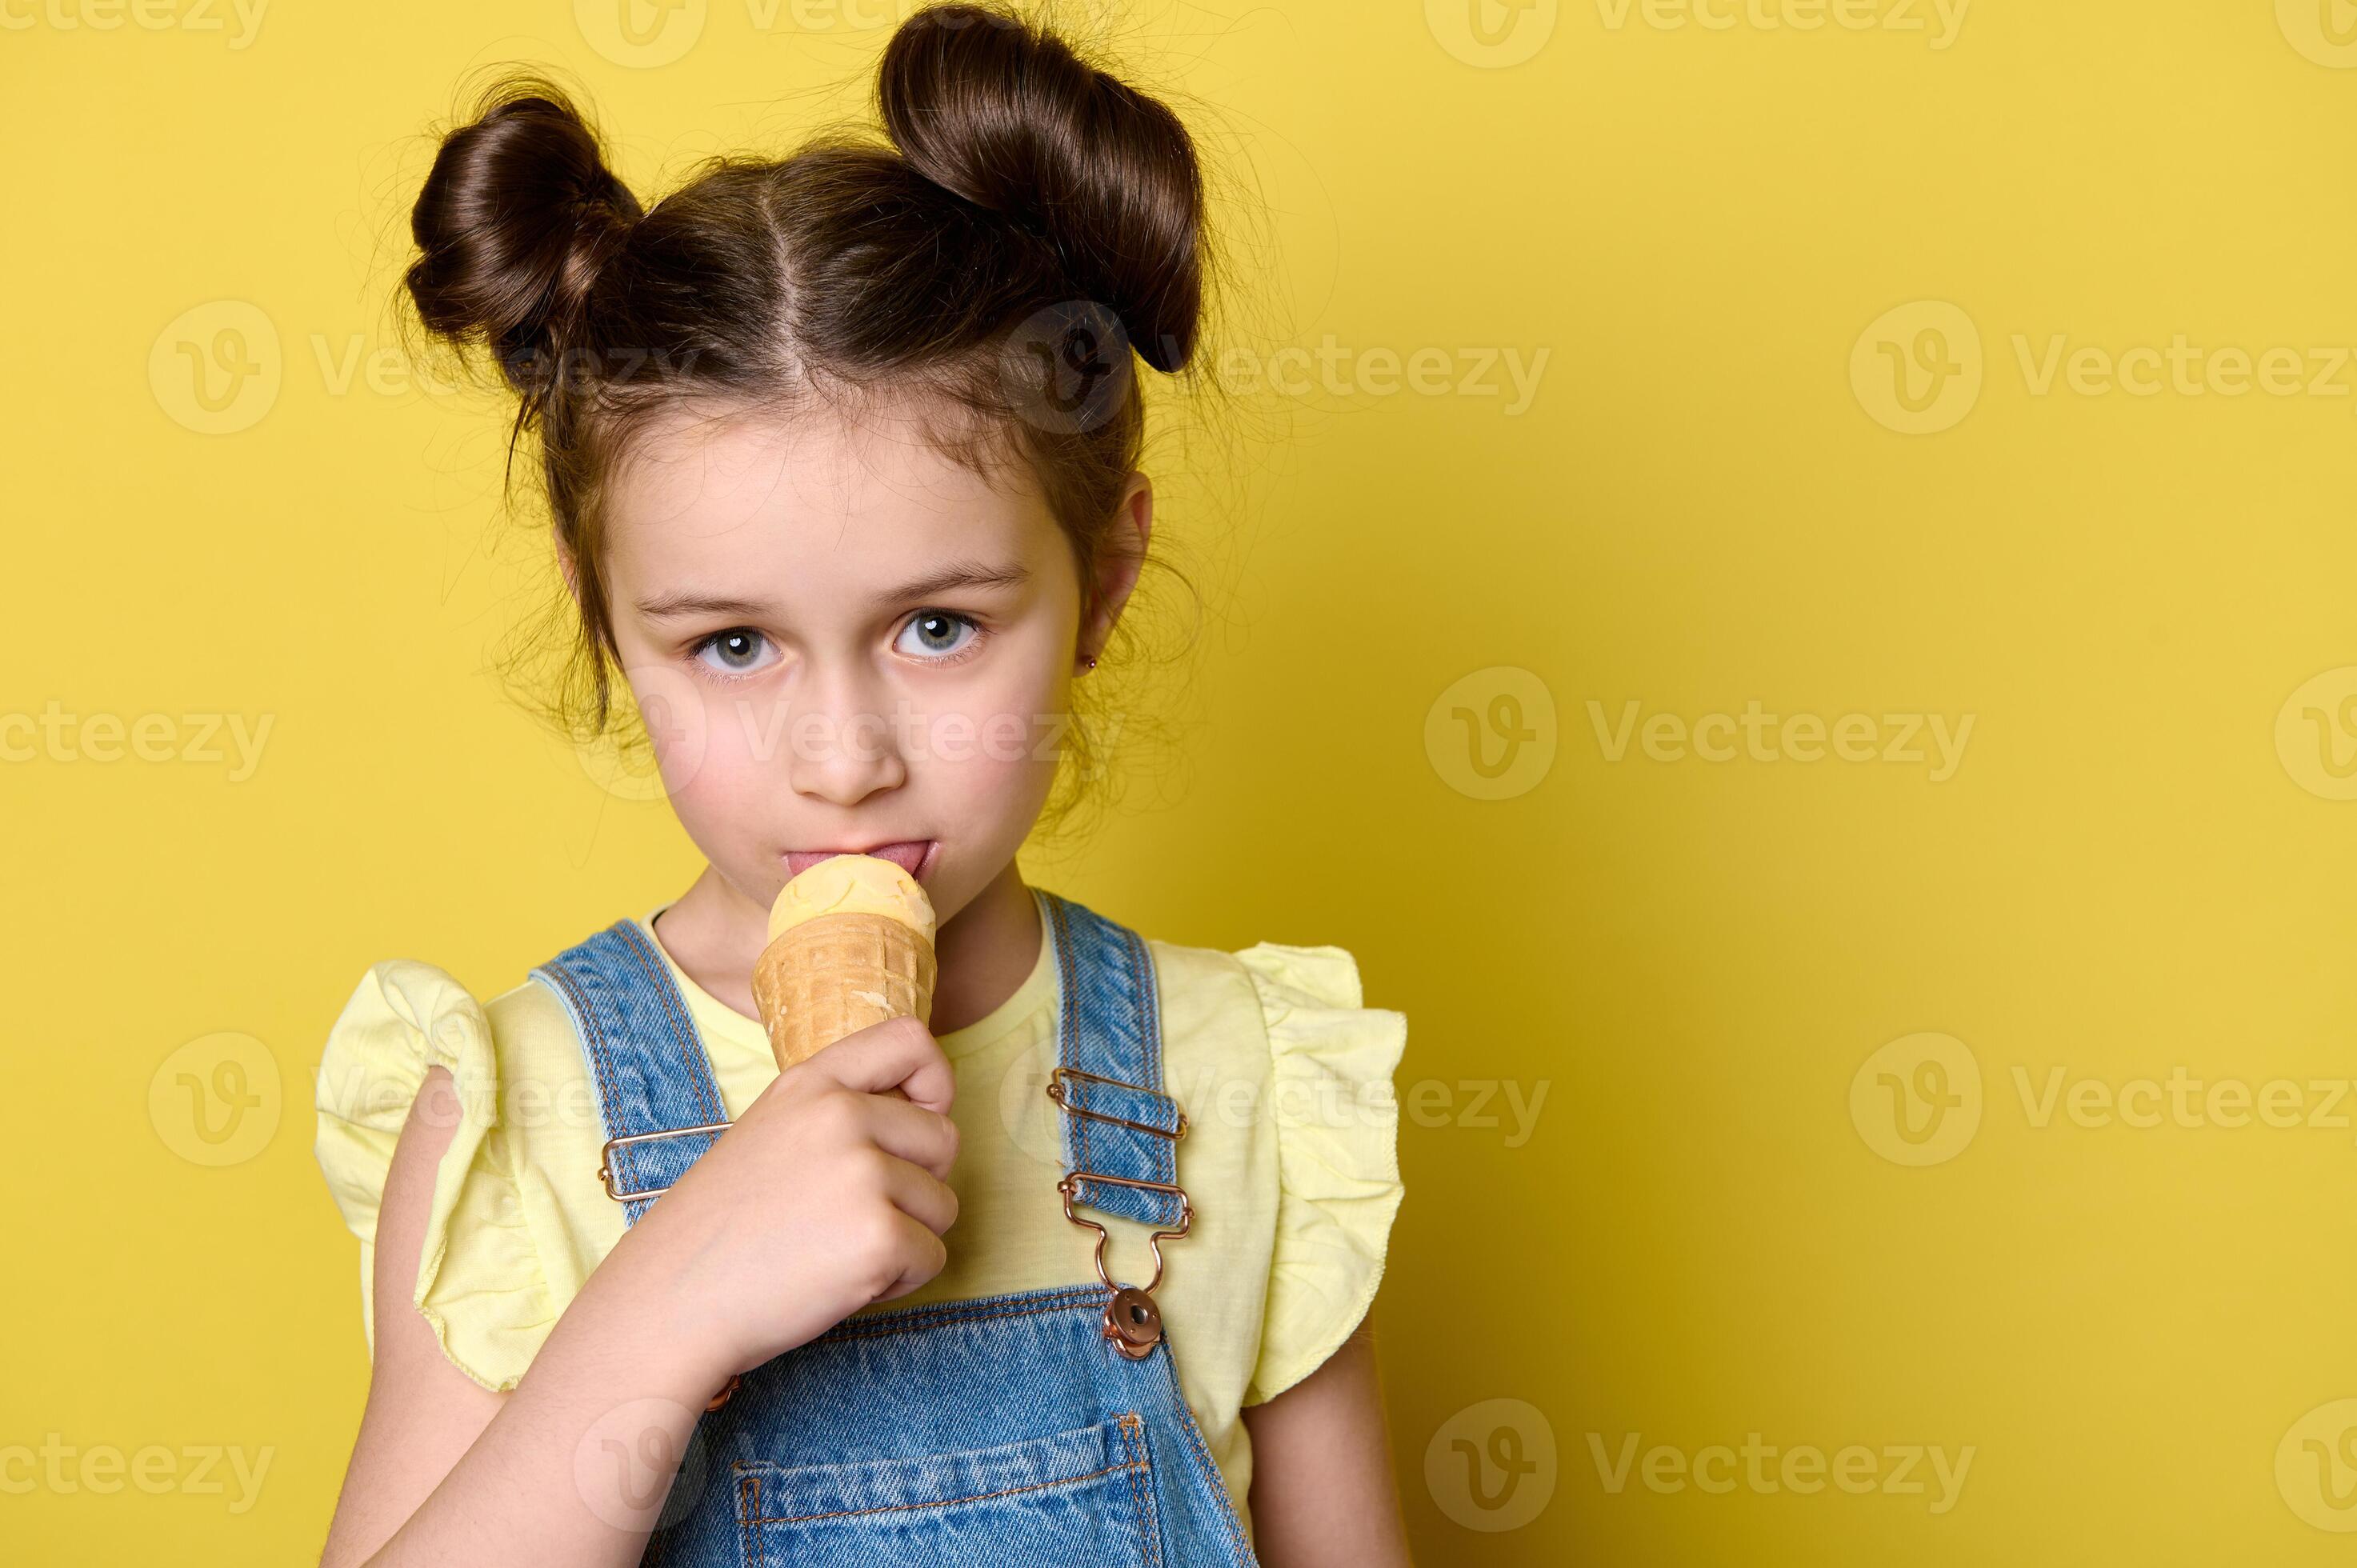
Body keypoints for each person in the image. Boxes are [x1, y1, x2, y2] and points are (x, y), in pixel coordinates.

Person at [310, 6, 1410, 1562]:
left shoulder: (1243, 1076)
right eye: (735, 643)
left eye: (937, 626)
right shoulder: (521, 1108)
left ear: (1104, 578)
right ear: (605, 621)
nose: (845, 758)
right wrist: (665, 1300)